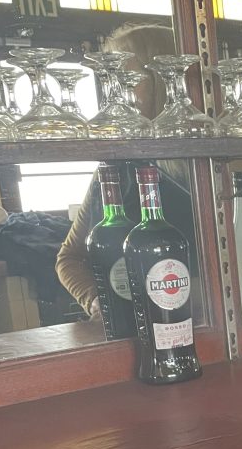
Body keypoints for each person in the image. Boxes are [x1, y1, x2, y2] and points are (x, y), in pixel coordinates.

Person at [55, 23, 194, 317]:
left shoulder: (211, 161)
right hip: (129, 327)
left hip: (201, 321)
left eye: (128, 78)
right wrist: (95, 300)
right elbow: (69, 258)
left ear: (162, 80)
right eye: (112, 79)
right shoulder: (113, 168)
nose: (116, 92)